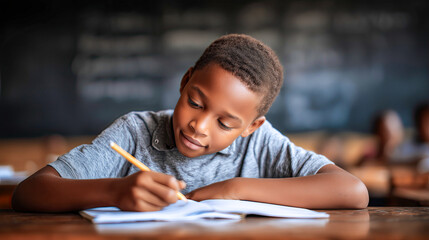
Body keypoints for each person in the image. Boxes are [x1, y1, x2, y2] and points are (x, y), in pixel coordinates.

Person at [12, 34, 368, 212]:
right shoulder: (136, 132)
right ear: (184, 83)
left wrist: (235, 189)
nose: (199, 126)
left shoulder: (260, 145)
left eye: (225, 124)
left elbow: (353, 191)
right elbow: (28, 193)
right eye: (195, 103)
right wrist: (115, 191)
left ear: (251, 126)